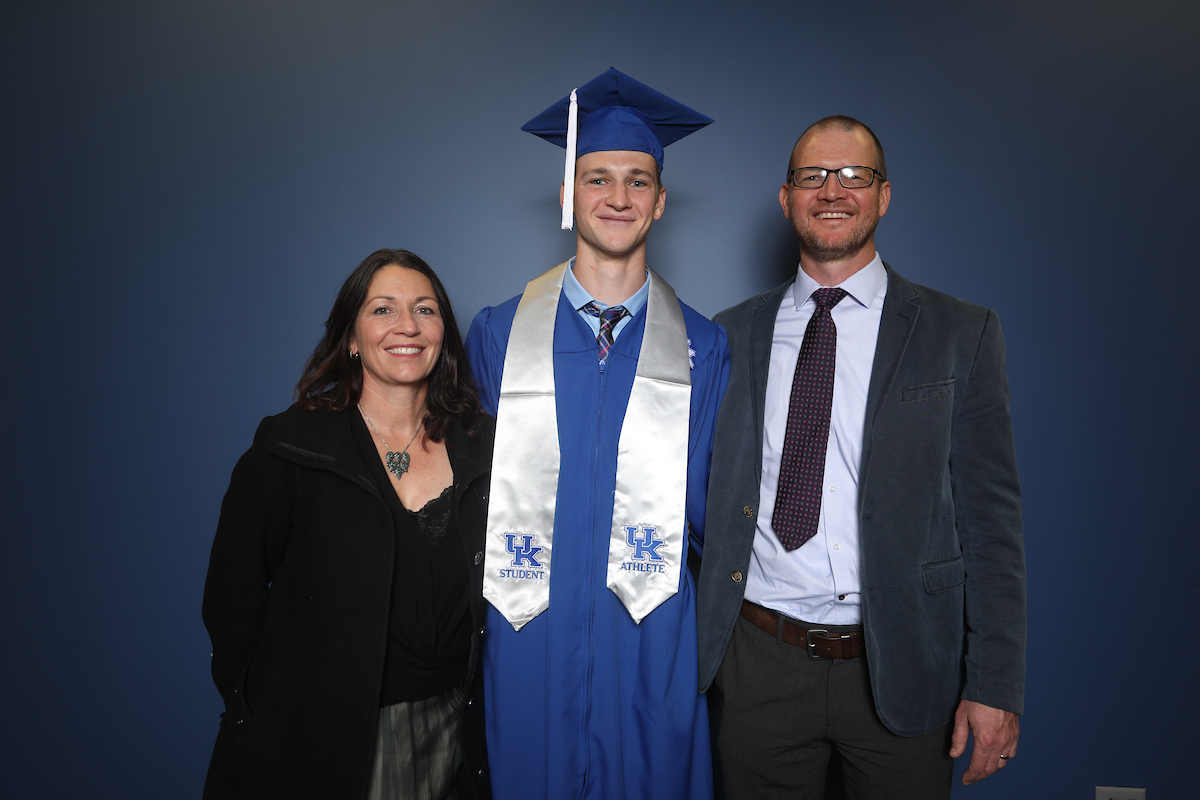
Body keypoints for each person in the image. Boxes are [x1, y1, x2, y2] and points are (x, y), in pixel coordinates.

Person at [697, 116, 1025, 799]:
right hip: (759, 663)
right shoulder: (728, 336)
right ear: (786, 198)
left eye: (854, 175)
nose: (833, 190)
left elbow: (993, 527)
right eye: (813, 176)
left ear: (883, 195)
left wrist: (994, 684)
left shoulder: (960, 334)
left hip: (903, 662)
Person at [464, 68, 729, 800]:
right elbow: (473, 491)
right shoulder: (497, 331)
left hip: (650, 631)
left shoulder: (703, 347)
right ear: (566, 195)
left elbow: (711, 507)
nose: (618, 198)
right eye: (598, 179)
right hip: (528, 629)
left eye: (638, 181)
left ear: (662, 201)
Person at [202, 249, 493, 800]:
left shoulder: (489, 448)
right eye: (383, 310)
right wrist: (262, 712)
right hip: (320, 744)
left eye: (425, 310)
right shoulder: (290, 449)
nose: (407, 326)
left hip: (456, 740)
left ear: (443, 335)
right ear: (352, 339)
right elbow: (230, 600)